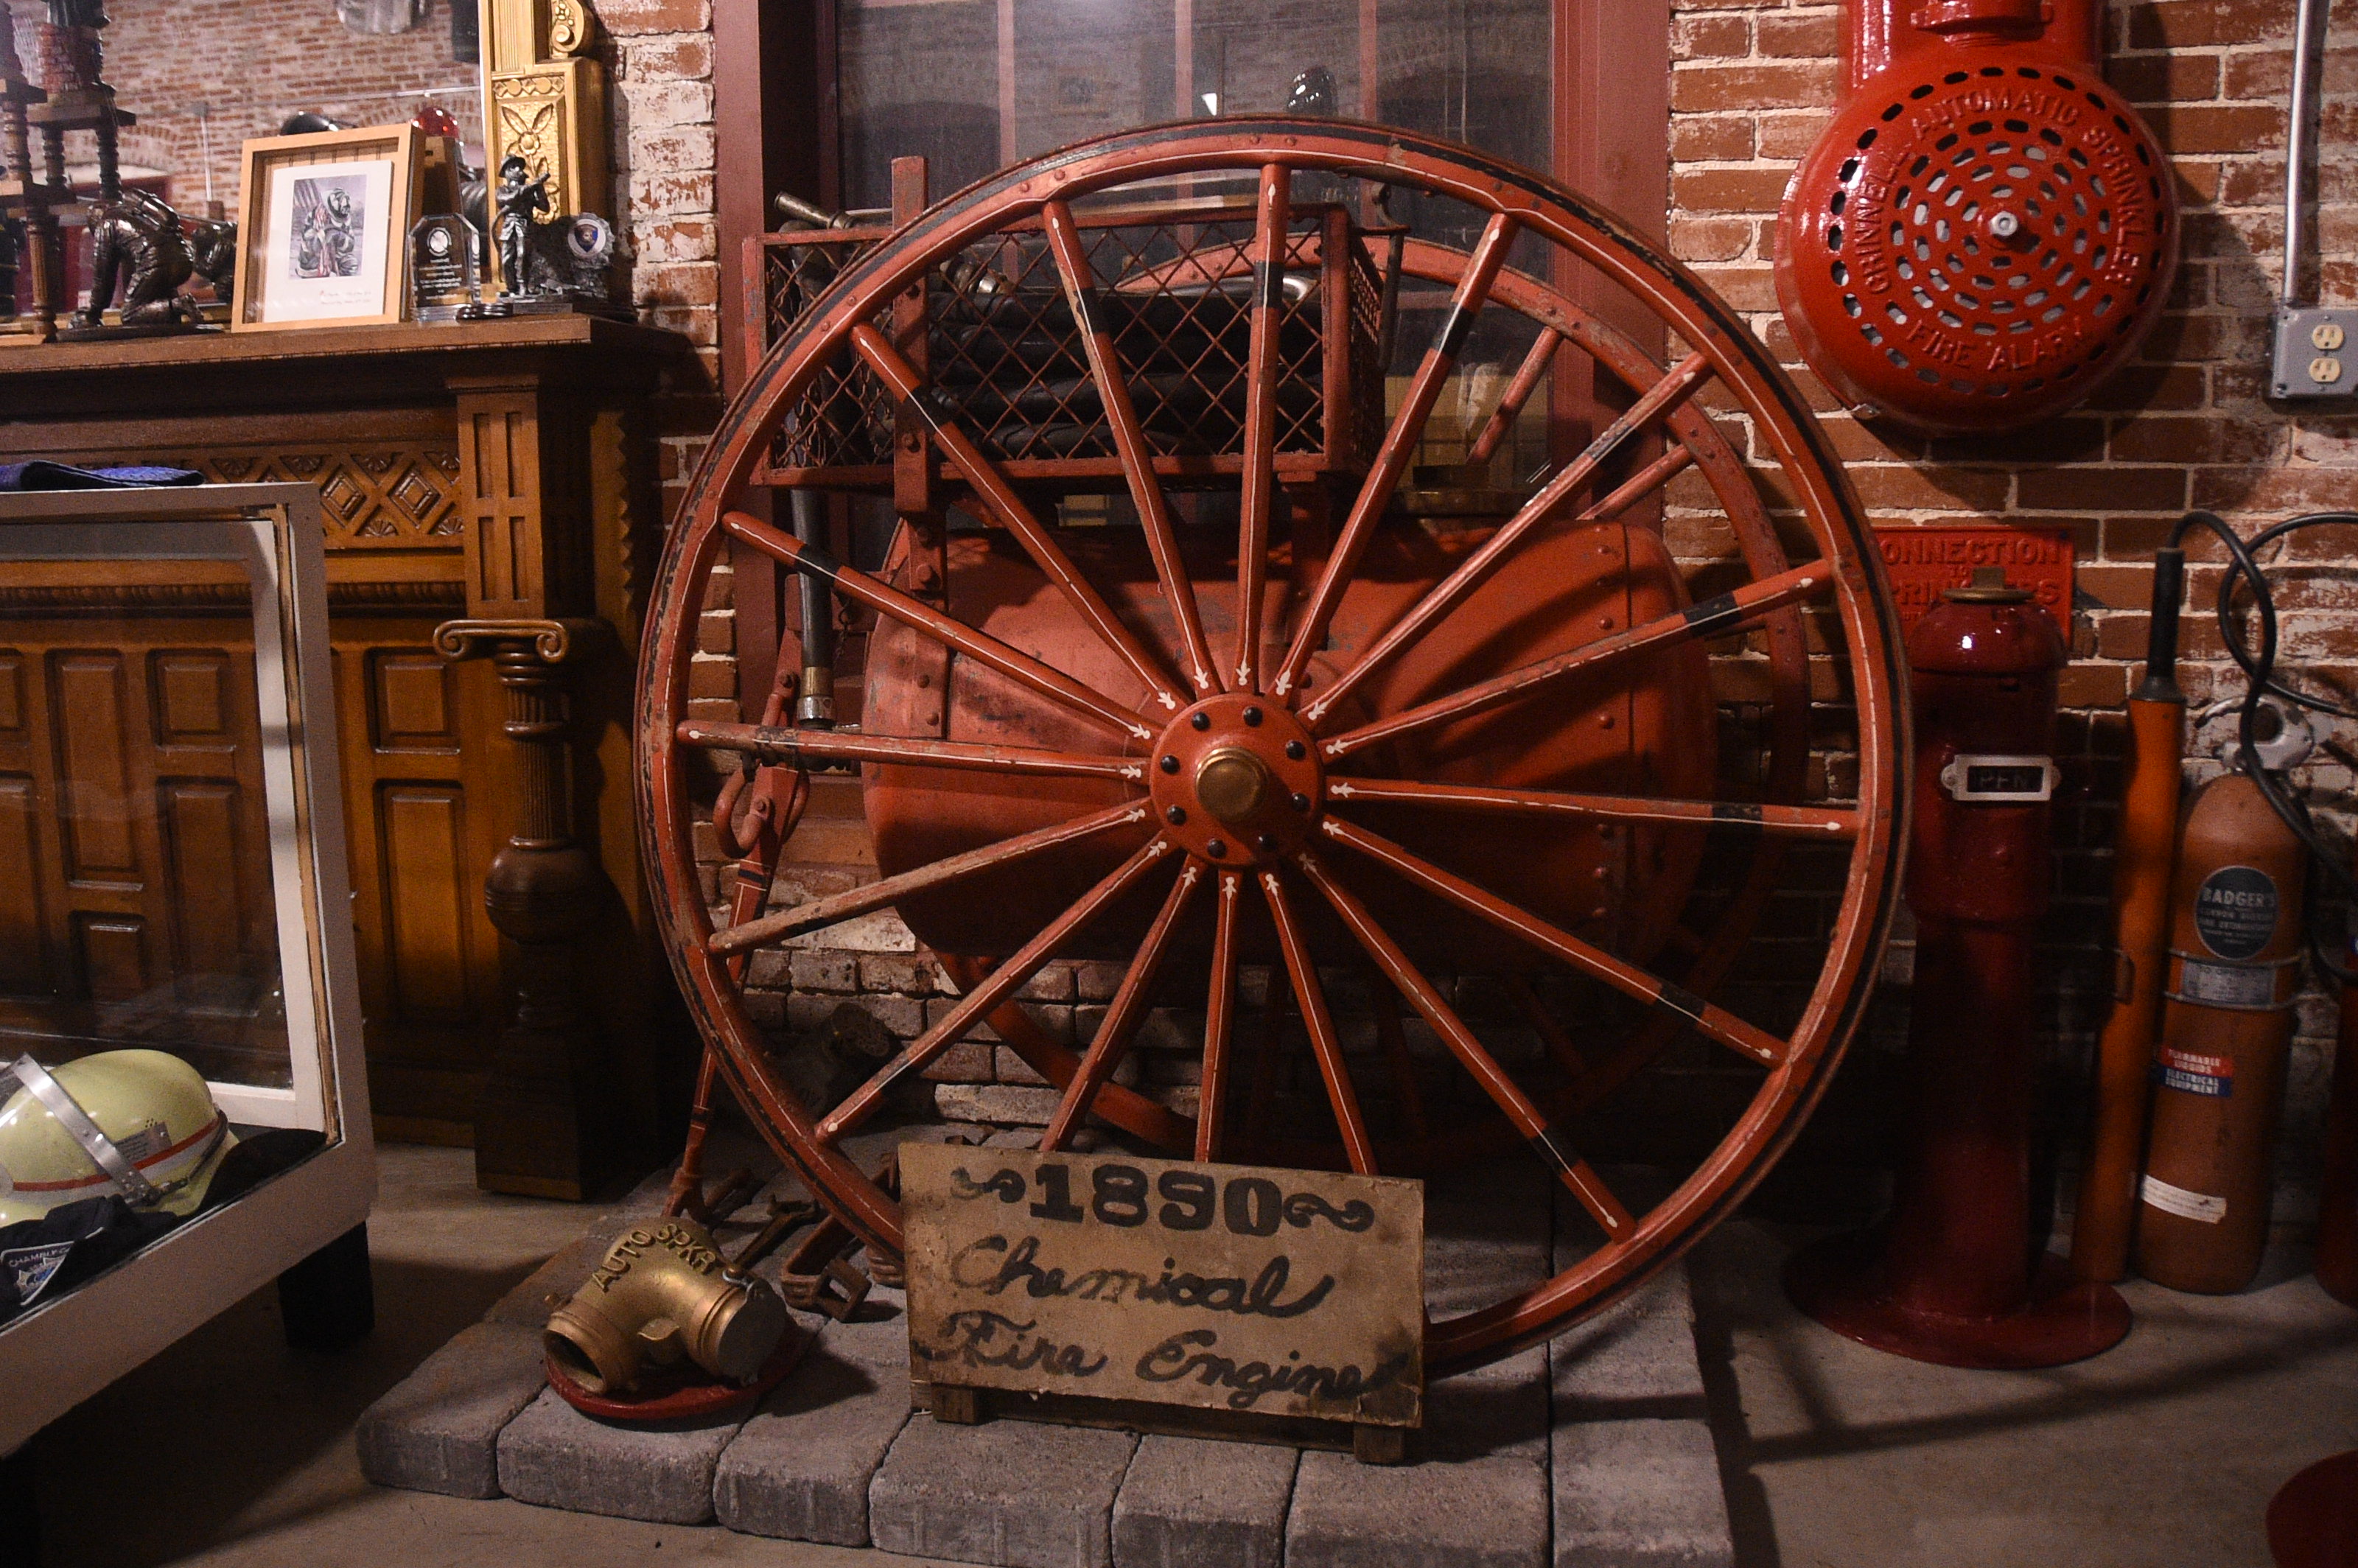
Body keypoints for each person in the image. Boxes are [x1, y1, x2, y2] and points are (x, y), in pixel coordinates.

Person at [492, 154, 550, 296]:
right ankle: (511, 288)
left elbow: (545, 207)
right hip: (509, 227)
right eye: (513, 167)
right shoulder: (502, 190)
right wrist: (529, 188)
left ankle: (523, 285)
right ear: (506, 172)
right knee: (507, 258)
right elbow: (509, 199)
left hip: (525, 226)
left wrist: (539, 188)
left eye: (520, 167)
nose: (518, 169)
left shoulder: (530, 190)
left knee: (523, 256)